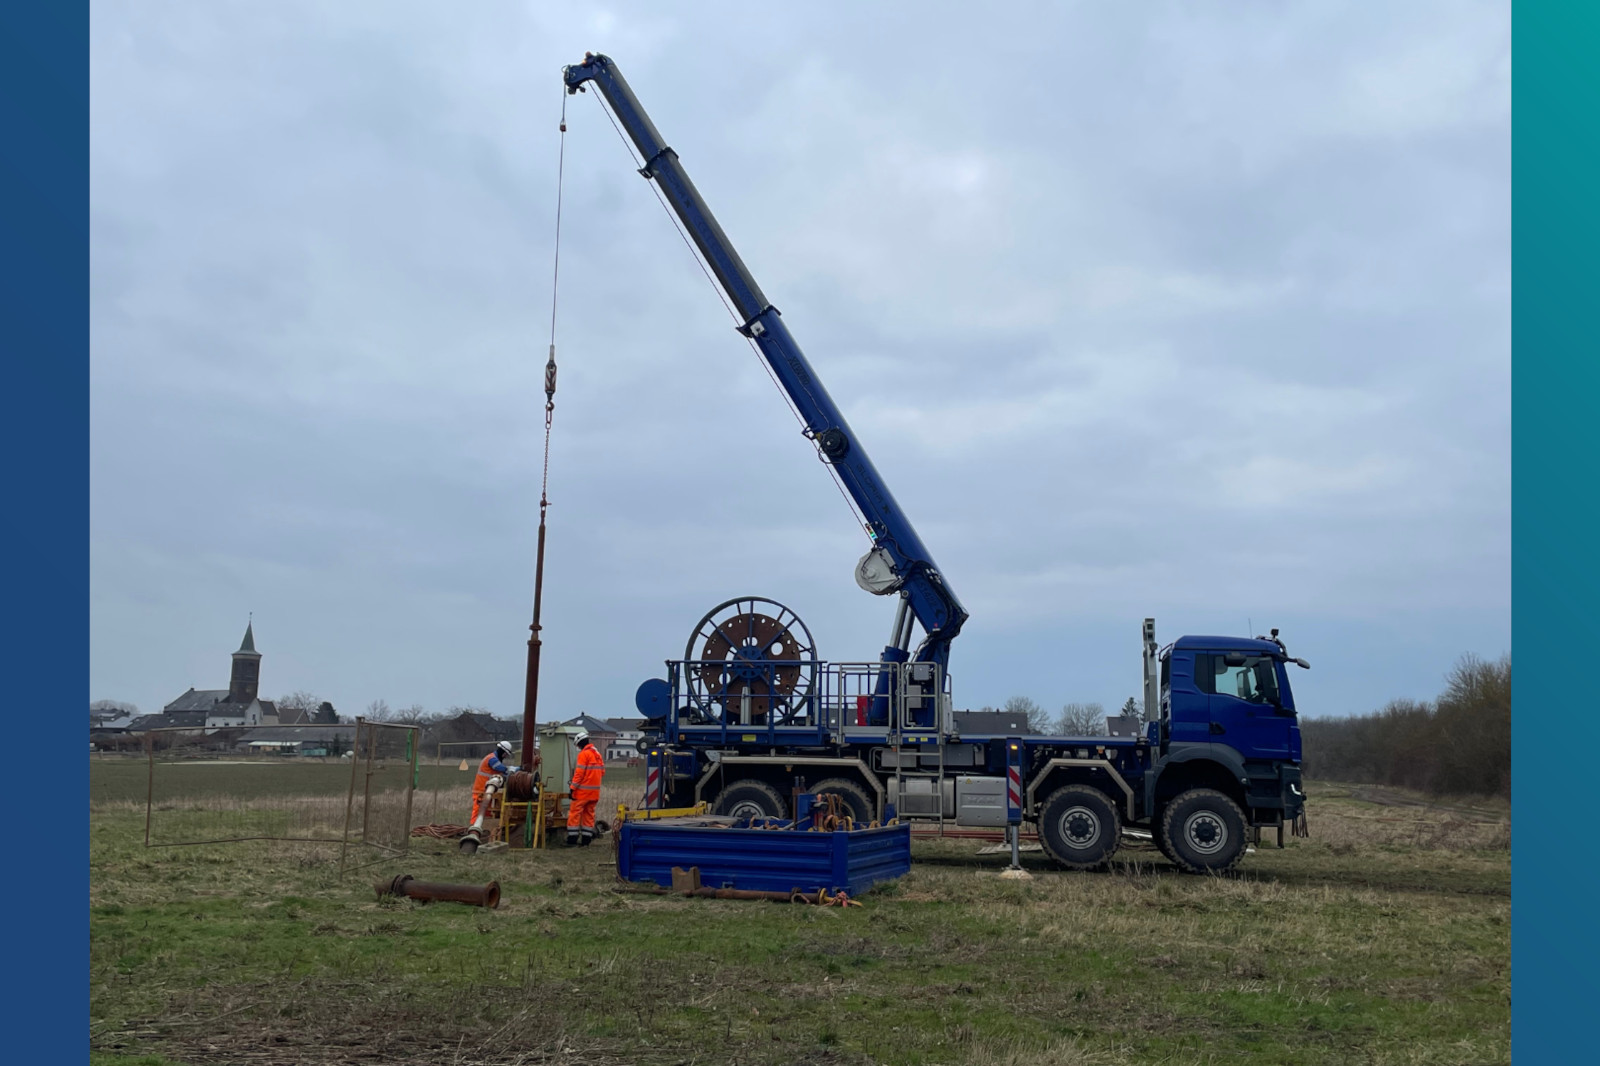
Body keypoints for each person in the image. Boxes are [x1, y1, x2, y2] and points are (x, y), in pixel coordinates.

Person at [566, 730, 605, 846]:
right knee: (589, 815)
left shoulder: (584, 754)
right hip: (594, 793)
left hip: (582, 792)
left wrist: (572, 788)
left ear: (580, 743)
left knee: (575, 813)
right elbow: (602, 772)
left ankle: (572, 840)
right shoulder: (597, 755)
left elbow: (579, 774)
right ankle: (586, 840)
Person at [471, 740, 518, 825]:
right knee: (478, 812)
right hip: (481, 791)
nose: (505, 756)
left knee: (487, 813)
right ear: (502, 751)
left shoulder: (494, 758)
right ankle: (472, 831)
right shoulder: (492, 759)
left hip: (487, 791)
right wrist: (515, 769)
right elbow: (502, 769)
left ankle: (484, 829)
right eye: (505, 754)